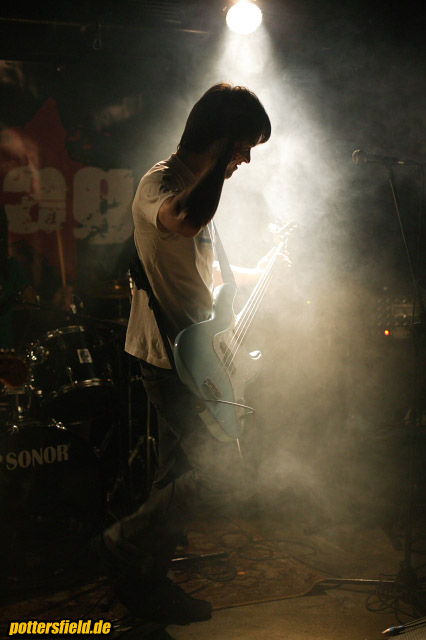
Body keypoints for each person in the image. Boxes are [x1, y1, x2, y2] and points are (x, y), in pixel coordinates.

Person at [96, 83, 273, 625]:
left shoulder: (198, 188)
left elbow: (203, 270)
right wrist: (216, 166)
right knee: (216, 472)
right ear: (221, 138)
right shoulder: (160, 183)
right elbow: (181, 220)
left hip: (199, 354)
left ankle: (146, 585)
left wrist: (262, 270)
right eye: (243, 147)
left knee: (176, 474)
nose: (245, 161)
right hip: (166, 355)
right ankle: (123, 542)